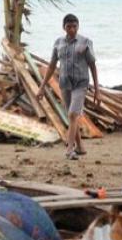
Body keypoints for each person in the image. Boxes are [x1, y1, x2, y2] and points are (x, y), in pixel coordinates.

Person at [37, 14, 99, 160]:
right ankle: (81, 147)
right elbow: (52, 65)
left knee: (72, 115)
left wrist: (97, 90)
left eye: (74, 26)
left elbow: (92, 66)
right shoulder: (58, 43)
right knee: (72, 117)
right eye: (69, 27)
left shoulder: (85, 42)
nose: (72, 29)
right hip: (65, 84)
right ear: (64, 27)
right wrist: (41, 87)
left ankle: (69, 149)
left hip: (81, 84)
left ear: (78, 26)